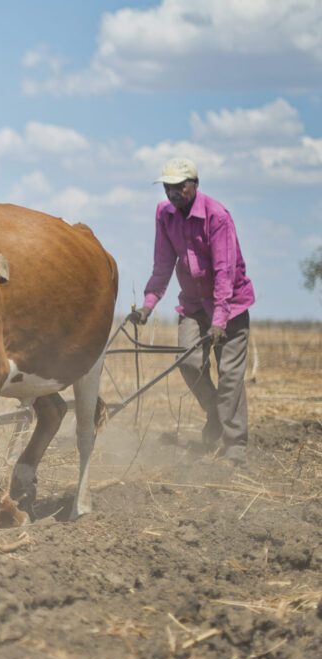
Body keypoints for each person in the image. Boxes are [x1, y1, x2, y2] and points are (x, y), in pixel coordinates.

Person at [128, 158, 254, 465]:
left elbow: (225, 272)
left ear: (194, 184)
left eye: (179, 186)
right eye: (167, 187)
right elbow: (162, 264)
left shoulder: (217, 216)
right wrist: (148, 305)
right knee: (188, 361)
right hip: (194, 305)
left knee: (230, 377)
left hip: (231, 307)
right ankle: (216, 414)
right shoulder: (165, 215)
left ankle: (235, 445)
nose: (172, 192)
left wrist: (221, 319)